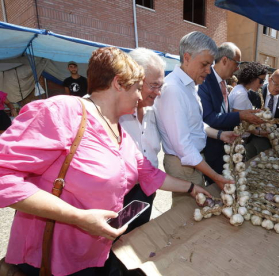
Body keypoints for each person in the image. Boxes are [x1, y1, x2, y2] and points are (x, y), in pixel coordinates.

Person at [0, 47, 211, 276]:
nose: (141, 97)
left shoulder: (118, 130)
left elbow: (149, 173)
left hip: (92, 254)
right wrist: (78, 217)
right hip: (53, 257)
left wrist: (191, 187)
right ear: (118, 83)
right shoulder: (62, 111)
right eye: (138, 89)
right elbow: (4, 176)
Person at [154, 32, 234, 202]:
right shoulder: (174, 89)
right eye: (205, 64)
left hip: (194, 162)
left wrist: (220, 135)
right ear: (187, 57)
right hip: (183, 166)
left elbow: (194, 123)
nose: (208, 71)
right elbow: (183, 146)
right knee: (187, 218)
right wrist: (216, 176)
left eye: (210, 65)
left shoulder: (190, 84)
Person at [198, 42, 264, 181]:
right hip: (212, 150)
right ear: (225, 60)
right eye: (237, 63)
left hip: (224, 149)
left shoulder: (222, 83)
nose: (238, 68)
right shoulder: (205, 82)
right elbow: (209, 118)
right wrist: (240, 115)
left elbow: (224, 113)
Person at [119, 47, 166, 232]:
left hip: (147, 190)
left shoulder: (153, 110)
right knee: (115, 244)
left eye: (160, 86)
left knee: (138, 238)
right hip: (122, 195)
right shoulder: (112, 113)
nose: (158, 92)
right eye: (153, 86)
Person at [246, 69, 279, 160]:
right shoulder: (255, 93)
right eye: (276, 84)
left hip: (270, 142)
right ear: (269, 80)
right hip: (251, 138)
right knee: (248, 164)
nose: (278, 88)